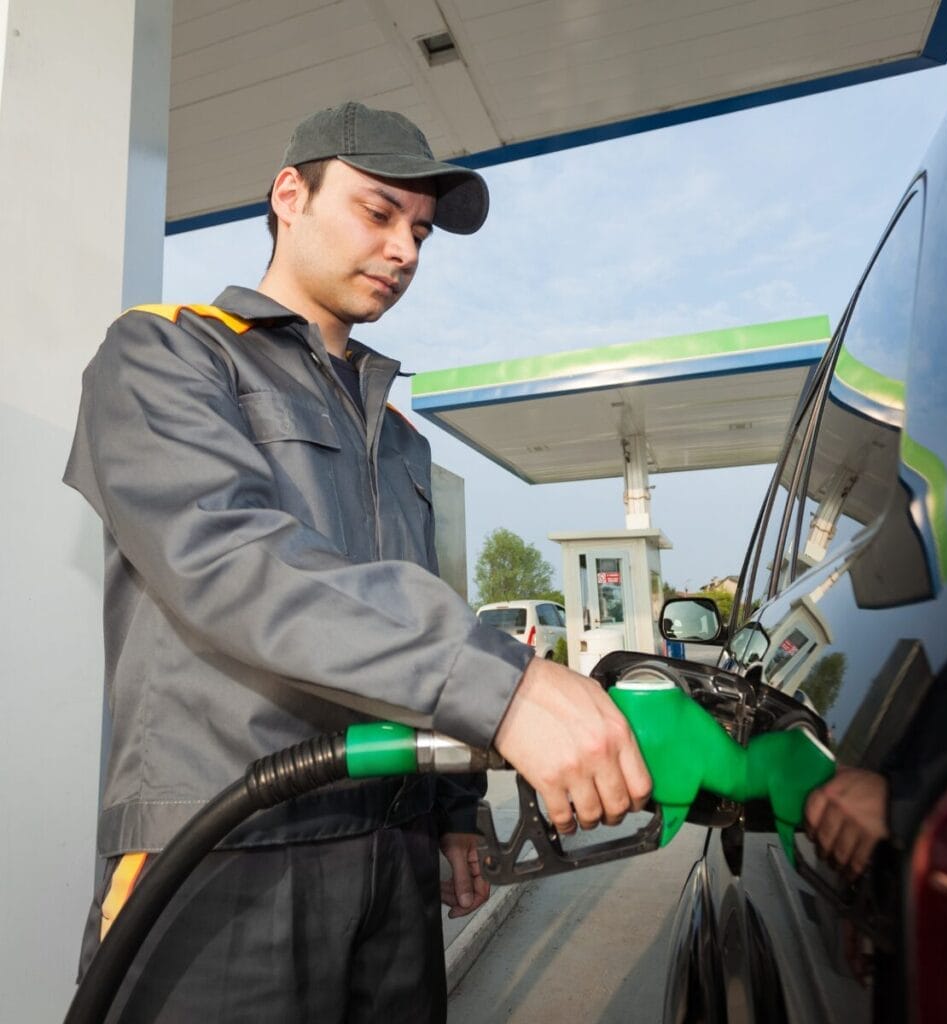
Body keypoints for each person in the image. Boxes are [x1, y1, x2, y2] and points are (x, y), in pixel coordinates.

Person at [65, 101, 652, 1022]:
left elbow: (425, 604)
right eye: (379, 213)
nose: (407, 250)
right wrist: (510, 688)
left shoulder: (403, 438)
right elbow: (229, 560)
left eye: (418, 230)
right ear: (289, 195)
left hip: (393, 857)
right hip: (227, 853)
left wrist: (455, 814)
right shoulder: (165, 353)